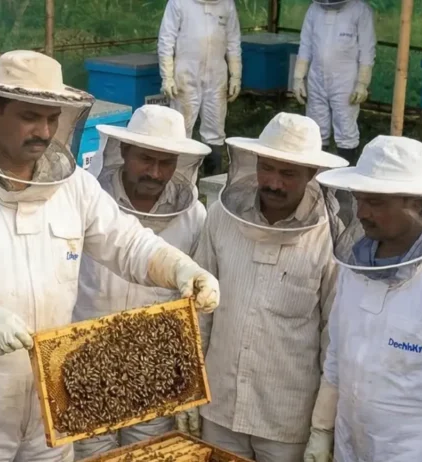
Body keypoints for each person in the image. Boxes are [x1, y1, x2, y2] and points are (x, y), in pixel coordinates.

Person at [0, 50, 220, 462]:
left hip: (56, 386)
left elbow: (128, 243)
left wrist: (180, 268)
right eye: (31, 116)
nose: (44, 131)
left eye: (52, 118)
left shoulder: (74, 187)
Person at [184, 113, 348, 460]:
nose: (273, 182)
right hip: (219, 404)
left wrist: (322, 427)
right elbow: (197, 313)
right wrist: (188, 389)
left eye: (288, 173)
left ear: (311, 174)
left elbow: (333, 339)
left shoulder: (329, 239)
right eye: (267, 168)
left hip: (286, 419)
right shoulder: (221, 217)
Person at [74, 105, 211, 459]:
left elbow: (193, 307)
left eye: (166, 162)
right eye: (145, 159)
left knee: (149, 453)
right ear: (124, 152)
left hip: (154, 368)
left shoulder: (194, 215)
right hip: (86, 360)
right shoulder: (88, 201)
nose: (155, 172)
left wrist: (186, 382)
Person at [308, 136, 422, 462]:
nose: (363, 213)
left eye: (377, 203)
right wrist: (321, 430)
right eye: (360, 200)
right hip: (349, 441)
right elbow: (336, 356)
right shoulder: (355, 263)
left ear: (416, 202)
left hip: (411, 450)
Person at [157, 0, 242, 176]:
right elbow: (166, 39)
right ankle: (181, 178)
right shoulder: (179, 2)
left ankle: (213, 179)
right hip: (186, 74)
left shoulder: (226, 4)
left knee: (216, 128)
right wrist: (167, 76)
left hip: (217, 75)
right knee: (181, 128)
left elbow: (233, 40)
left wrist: (236, 75)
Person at [293, 0, 376, 163]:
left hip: (346, 80)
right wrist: (298, 77)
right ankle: (314, 178)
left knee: (345, 129)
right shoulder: (314, 9)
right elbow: (305, 45)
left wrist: (362, 83)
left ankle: (343, 180)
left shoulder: (360, 10)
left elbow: (367, 49)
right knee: (315, 130)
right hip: (316, 78)